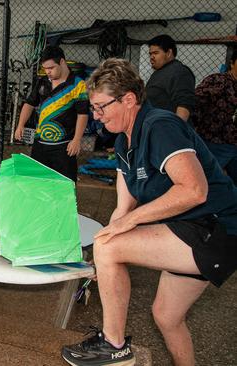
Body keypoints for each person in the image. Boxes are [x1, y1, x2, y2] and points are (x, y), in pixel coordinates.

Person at [61, 58, 237, 366]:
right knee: (166, 317)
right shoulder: (122, 142)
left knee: (109, 247)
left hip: (216, 230)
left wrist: (114, 240)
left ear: (129, 99)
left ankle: (113, 346)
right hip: (189, 229)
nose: (96, 116)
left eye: (102, 107)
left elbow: (194, 190)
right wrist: (101, 257)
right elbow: (123, 209)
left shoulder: (161, 125)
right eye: (94, 108)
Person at [13, 46, 88, 182]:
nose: (47, 72)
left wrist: (77, 139)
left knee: (65, 184)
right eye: (45, 68)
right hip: (40, 144)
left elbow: (82, 114)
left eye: (51, 68)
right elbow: (29, 103)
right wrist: (20, 125)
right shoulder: (42, 82)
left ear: (62, 62)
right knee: (37, 182)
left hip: (64, 147)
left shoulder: (78, 85)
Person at [191, 52, 237, 184]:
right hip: (215, 142)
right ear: (232, 63)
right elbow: (195, 100)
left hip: (232, 143)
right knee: (206, 180)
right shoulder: (219, 80)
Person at [145, 35, 195, 121]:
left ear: (168, 53)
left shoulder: (179, 72)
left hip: (166, 128)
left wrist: (175, 130)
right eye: (150, 54)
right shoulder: (159, 72)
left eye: (156, 53)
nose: (151, 57)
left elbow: (184, 105)